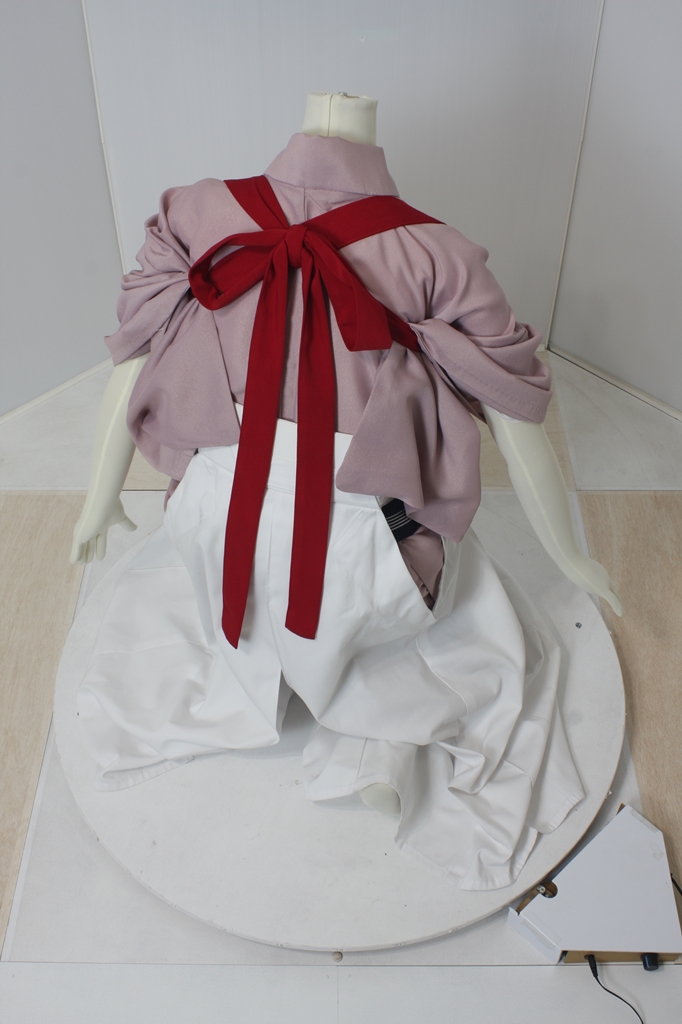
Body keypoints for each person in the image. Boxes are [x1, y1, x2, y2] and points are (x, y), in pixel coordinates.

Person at [71, 93, 621, 891]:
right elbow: (515, 417)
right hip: (360, 551)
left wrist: (99, 501)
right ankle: (375, 727)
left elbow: (130, 361)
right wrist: (568, 553)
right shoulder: (436, 254)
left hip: (215, 522)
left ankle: (264, 670)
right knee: (465, 612)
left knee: (197, 565)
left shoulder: (194, 212)